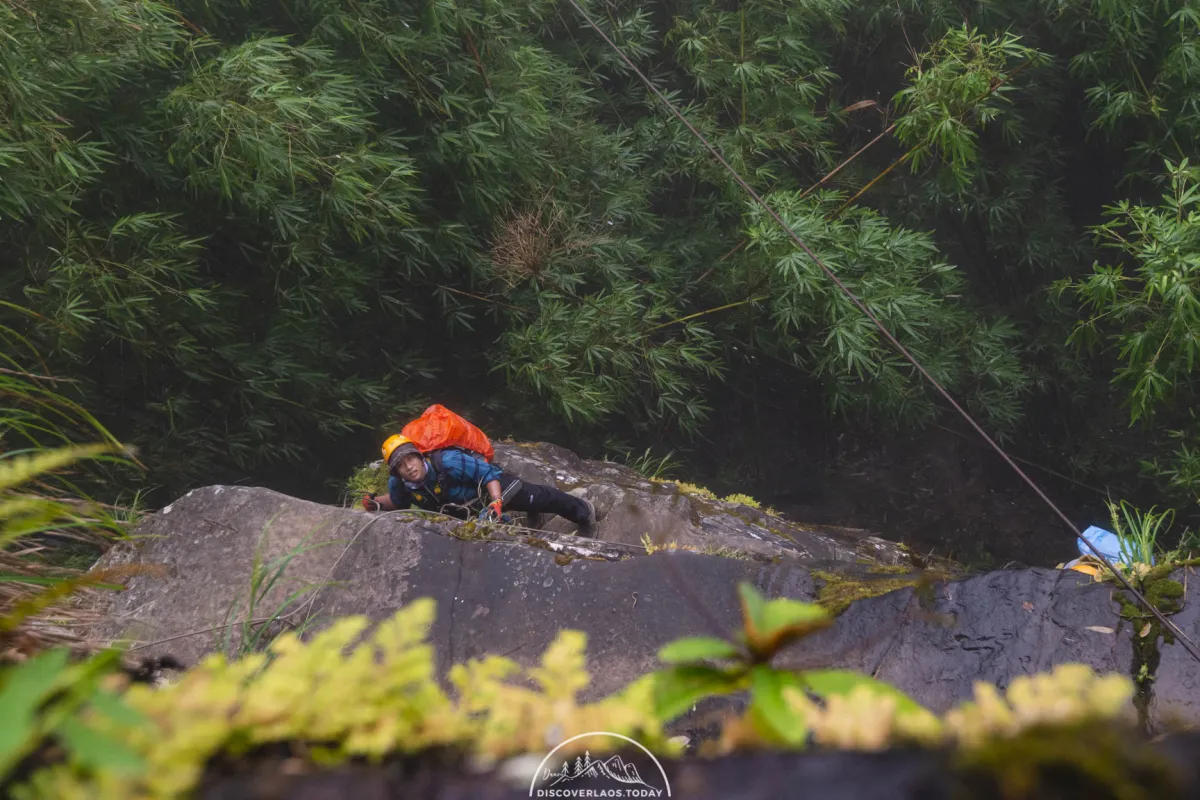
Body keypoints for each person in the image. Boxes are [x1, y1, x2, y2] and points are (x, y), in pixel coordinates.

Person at [361, 435, 597, 534]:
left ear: (419, 456)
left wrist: (496, 501)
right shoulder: (400, 484)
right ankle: (529, 517)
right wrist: (375, 503)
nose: (409, 467)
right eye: (402, 465)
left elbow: (488, 475)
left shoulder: (448, 461)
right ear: (396, 471)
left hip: (489, 491)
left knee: (539, 497)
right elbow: (398, 501)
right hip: (468, 513)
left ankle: (584, 511)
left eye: (411, 459)